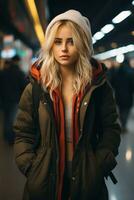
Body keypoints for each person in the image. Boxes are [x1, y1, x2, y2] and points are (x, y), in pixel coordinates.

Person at [13, 10, 121, 200]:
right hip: (45, 180)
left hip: (88, 179)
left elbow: (111, 130)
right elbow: (23, 133)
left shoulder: (98, 87)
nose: (64, 48)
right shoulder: (37, 88)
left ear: (83, 44)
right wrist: (32, 168)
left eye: (71, 41)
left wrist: (98, 165)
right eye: (58, 41)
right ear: (50, 45)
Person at [1, 55, 27, 143]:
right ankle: (10, 138)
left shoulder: (3, 72)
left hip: (4, 99)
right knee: (12, 119)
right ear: (17, 61)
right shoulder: (19, 72)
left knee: (6, 118)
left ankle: (6, 135)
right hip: (15, 100)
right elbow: (25, 85)